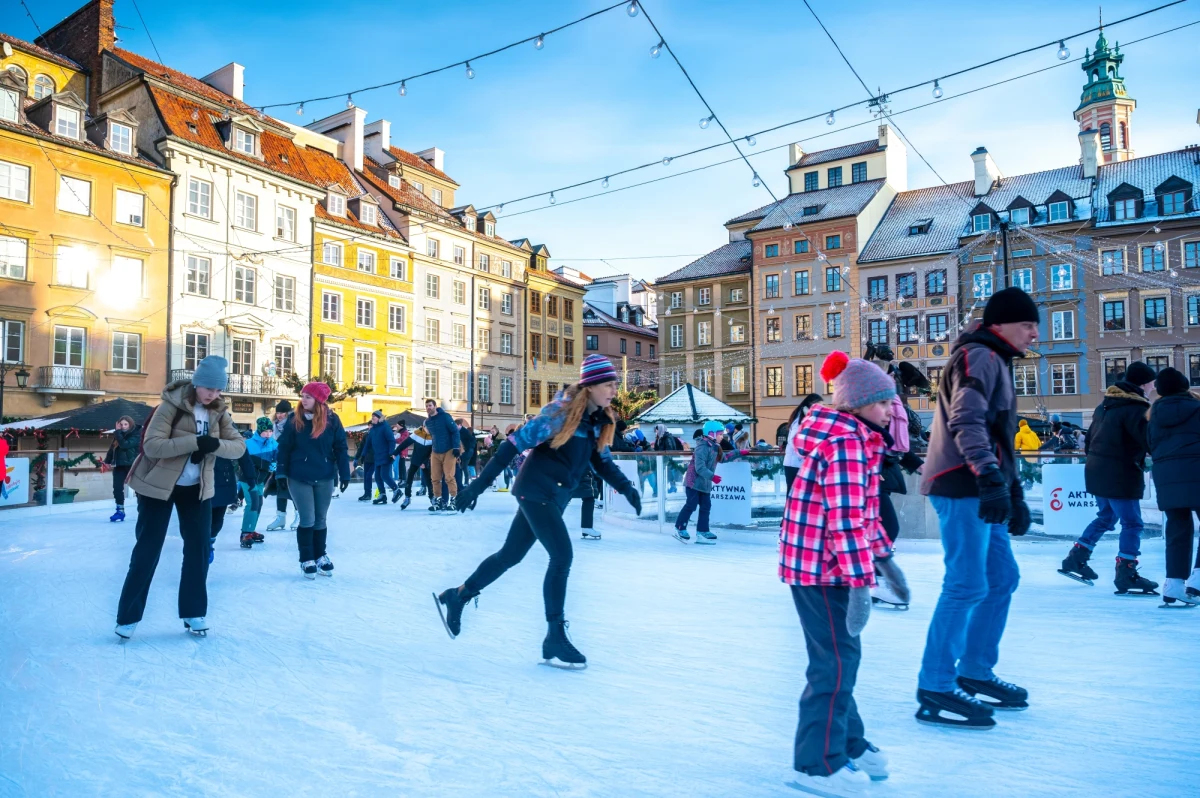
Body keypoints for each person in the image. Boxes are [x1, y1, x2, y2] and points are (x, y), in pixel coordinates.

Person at [433, 355, 641, 669]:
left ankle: (458, 595)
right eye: (608, 383)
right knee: (562, 556)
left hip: (554, 496)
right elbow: (512, 445)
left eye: (615, 384)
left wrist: (627, 488)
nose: (614, 389)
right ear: (591, 385)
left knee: (509, 556)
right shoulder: (560, 414)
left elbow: (602, 463)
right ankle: (554, 635)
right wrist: (477, 485)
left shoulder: (597, 422)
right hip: (536, 492)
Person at [780, 357, 909, 794]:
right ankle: (815, 764)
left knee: (838, 659)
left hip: (817, 564)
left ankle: (849, 743)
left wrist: (885, 559)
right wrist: (861, 583)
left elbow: (864, 514)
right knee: (834, 663)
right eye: (886, 402)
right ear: (860, 403)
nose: (893, 410)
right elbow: (846, 521)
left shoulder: (853, 438)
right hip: (822, 568)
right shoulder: (847, 445)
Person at [917, 287, 1038, 729]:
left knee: (1002, 577)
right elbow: (965, 421)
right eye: (1027, 325)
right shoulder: (979, 357)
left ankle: (974, 669)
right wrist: (989, 478)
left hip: (983, 487)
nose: (1034, 335)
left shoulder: (995, 359)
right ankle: (935, 683)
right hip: (962, 484)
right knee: (966, 583)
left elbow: (999, 435)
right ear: (1000, 324)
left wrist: (1014, 491)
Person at [115, 356, 246, 640]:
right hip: (157, 487)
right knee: (148, 549)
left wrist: (213, 445)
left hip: (196, 488)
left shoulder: (219, 412)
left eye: (218, 389)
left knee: (198, 549)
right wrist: (194, 443)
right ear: (197, 383)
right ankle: (128, 616)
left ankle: (193, 612)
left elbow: (238, 447)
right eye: (209, 387)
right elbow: (152, 446)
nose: (213, 394)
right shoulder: (170, 406)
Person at [1059, 362, 1159, 595]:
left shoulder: (1104, 406)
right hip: (1119, 473)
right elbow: (1149, 442)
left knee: (1106, 517)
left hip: (1097, 470)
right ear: (1143, 383)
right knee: (1132, 523)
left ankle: (1076, 557)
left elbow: (1091, 438)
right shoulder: (1136, 408)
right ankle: (1126, 572)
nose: (1153, 385)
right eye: (1152, 381)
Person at [276, 382, 351, 579]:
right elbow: (284, 448)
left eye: (308, 397)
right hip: (299, 476)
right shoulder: (294, 420)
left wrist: (344, 473)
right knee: (307, 518)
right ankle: (306, 558)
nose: (303, 400)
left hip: (325, 476)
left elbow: (341, 448)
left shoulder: (333, 420)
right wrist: (281, 473)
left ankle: (320, 555)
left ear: (318, 400)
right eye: (303, 396)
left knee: (320, 519)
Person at [1145, 368, 1200, 606]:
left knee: (1177, 529)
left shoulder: (1153, 416)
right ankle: (1197, 579)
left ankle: (1173, 585)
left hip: (1167, 477)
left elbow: (1149, 446)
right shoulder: (1197, 408)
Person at [674, 420, 743, 543]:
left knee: (706, 506)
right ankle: (680, 527)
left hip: (705, 484)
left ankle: (702, 531)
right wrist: (713, 477)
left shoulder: (716, 447)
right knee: (691, 505)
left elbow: (724, 458)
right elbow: (699, 468)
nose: (723, 436)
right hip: (693, 482)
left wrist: (739, 453)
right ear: (712, 433)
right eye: (720, 434)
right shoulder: (702, 447)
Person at [211, 443, 257, 556]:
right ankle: (200, 543)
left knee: (217, 519)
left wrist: (250, 477)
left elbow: (243, 454)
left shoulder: (228, 430)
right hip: (198, 482)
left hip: (223, 480)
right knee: (200, 518)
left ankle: (210, 540)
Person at [240, 417, 278, 546]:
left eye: (270, 431)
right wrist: (267, 465)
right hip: (248, 479)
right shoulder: (249, 444)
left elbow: (280, 455)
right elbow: (245, 463)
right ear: (259, 430)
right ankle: (246, 533)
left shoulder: (273, 443)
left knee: (259, 503)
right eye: (265, 431)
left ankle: (251, 529)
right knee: (253, 503)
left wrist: (275, 463)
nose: (268, 434)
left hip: (261, 480)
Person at [265, 400, 298, 531]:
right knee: (281, 488)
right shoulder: (273, 426)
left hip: (292, 462)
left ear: (288, 413)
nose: (280, 415)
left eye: (282, 413)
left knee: (295, 490)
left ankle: (299, 515)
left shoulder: (294, 425)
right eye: (278, 412)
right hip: (278, 462)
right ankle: (281, 517)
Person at [424, 398, 460, 511]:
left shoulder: (445, 417)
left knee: (449, 476)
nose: (428, 408)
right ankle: (439, 501)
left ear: (435, 406)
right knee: (434, 478)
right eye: (426, 406)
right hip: (435, 451)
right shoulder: (428, 422)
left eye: (430, 405)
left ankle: (454, 500)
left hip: (449, 449)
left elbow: (455, 431)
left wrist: (456, 447)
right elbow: (431, 435)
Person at [783, 395, 825, 491]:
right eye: (819, 406)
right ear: (810, 407)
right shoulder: (800, 420)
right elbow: (794, 441)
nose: (821, 410)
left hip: (798, 463)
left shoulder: (807, 419)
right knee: (794, 494)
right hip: (794, 464)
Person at [107, 415, 140, 522]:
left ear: (131, 424)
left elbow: (125, 445)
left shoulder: (136, 434)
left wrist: (117, 433)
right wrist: (107, 461)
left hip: (133, 465)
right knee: (117, 488)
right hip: (119, 465)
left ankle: (143, 510)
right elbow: (113, 448)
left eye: (126, 424)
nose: (123, 426)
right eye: (121, 424)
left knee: (138, 489)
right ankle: (120, 511)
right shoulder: (119, 434)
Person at [364, 410, 400, 505]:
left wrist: (391, 453)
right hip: (377, 456)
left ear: (379, 418)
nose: (372, 420)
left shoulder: (385, 427)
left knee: (384, 475)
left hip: (386, 455)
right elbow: (367, 443)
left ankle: (397, 490)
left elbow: (391, 441)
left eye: (374, 418)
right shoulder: (373, 430)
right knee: (377, 477)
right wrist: (362, 454)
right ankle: (382, 495)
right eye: (372, 418)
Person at [395, 425, 434, 509]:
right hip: (416, 460)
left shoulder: (433, 436)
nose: (429, 429)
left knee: (428, 480)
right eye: (427, 427)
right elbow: (404, 444)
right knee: (409, 478)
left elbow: (433, 451)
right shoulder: (416, 434)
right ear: (423, 427)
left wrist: (425, 462)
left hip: (426, 461)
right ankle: (407, 497)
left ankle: (432, 498)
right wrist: (395, 453)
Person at [457, 418, 478, 487]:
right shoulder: (458, 431)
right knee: (460, 467)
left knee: (464, 466)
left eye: (456, 425)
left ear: (459, 425)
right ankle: (460, 482)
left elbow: (472, 440)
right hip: (462, 451)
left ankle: (466, 482)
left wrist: (469, 448)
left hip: (467, 452)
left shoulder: (465, 431)